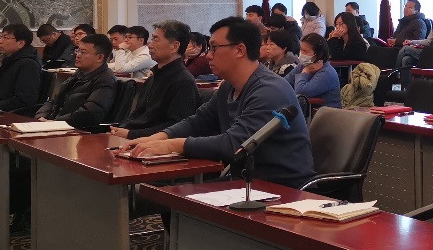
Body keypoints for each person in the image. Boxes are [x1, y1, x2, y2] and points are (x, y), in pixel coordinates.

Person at [124, 17, 314, 185]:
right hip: (245, 180)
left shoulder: (269, 90)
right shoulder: (229, 86)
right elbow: (199, 121)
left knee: (174, 198)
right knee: (166, 195)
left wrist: (173, 145)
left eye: (214, 48)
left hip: (281, 186)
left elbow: (235, 144)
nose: (208, 55)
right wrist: (159, 138)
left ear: (240, 50)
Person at [109, 20, 202, 139]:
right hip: (134, 138)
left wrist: (130, 134)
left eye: (156, 40)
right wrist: (121, 129)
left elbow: (176, 127)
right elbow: (138, 114)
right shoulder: (153, 78)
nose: (150, 45)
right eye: (152, 39)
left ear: (174, 46)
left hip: (154, 144)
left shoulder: (183, 81)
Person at [36, 33, 118, 128]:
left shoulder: (105, 80)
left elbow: (90, 112)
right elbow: (53, 101)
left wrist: (56, 122)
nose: (78, 55)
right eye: (77, 51)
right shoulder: (79, 73)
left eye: (83, 52)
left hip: (75, 129)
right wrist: (41, 116)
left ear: (99, 57)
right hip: (56, 124)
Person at [0, 23, 44, 113]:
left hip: (10, 114)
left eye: (5, 38)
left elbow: (25, 99)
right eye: (1, 37)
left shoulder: (28, 64)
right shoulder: (9, 60)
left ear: (21, 43)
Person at [292, 33, 342, 108]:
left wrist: (306, 72)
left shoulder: (327, 73)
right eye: (301, 50)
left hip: (327, 114)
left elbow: (301, 92)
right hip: (308, 110)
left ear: (320, 54)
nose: (302, 54)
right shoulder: (302, 65)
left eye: (305, 51)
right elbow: (284, 83)